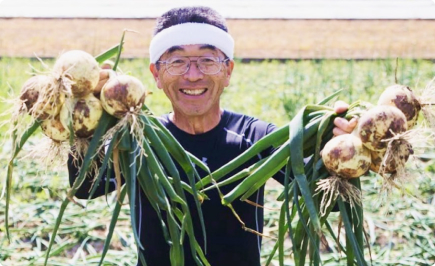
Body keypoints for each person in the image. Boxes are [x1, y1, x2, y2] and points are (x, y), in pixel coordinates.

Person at [68, 6, 357, 266]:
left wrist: (337, 152)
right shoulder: (139, 140)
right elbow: (84, 188)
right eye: (177, 61)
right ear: (156, 74)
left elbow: (326, 201)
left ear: (228, 71)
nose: (193, 75)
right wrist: (85, 122)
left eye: (207, 60)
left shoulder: (254, 137)